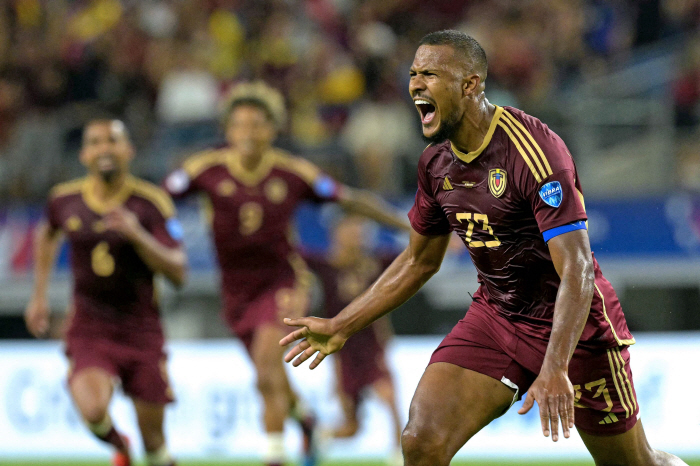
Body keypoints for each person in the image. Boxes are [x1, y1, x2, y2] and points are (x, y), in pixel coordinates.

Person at [280, 30, 689, 466]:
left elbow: (578, 269)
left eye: (431, 74)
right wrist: (343, 324)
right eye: (414, 74)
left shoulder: (533, 150)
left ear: (470, 84)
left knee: (634, 464)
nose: (416, 84)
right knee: (422, 440)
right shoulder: (435, 163)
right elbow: (419, 260)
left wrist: (555, 365)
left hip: (576, 329)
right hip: (497, 317)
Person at [163, 81, 409, 466]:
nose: (248, 133)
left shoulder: (291, 172)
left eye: (258, 124)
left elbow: (349, 199)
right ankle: (306, 422)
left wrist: (407, 226)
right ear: (227, 131)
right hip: (235, 291)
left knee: (266, 356)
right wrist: (169, 239)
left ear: (273, 129)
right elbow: (158, 205)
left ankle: (275, 454)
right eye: (240, 124)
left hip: (283, 280)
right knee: (268, 373)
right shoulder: (204, 171)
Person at [25, 119, 187, 466]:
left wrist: (136, 234)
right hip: (89, 324)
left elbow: (179, 272)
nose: (104, 149)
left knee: (155, 444)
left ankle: (144, 452)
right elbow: (47, 234)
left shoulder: (150, 203)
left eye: (112, 141)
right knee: (94, 410)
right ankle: (120, 446)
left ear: (128, 150)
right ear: (84, 154)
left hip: (141, 328)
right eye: (95, 142)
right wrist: (38, 295)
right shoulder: (64, 199)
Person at [303, 215, 402, 466]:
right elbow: (292, 254)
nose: (358, 236)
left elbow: (413, 256)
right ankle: (319, 436)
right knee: (351, 427)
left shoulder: (376, 264)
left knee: (390, 400)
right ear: (337, 235)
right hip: (342, 353)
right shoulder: (326, 266)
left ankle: (398, 456)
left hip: (371, 348)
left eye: (360, 231)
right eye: (352, 231)